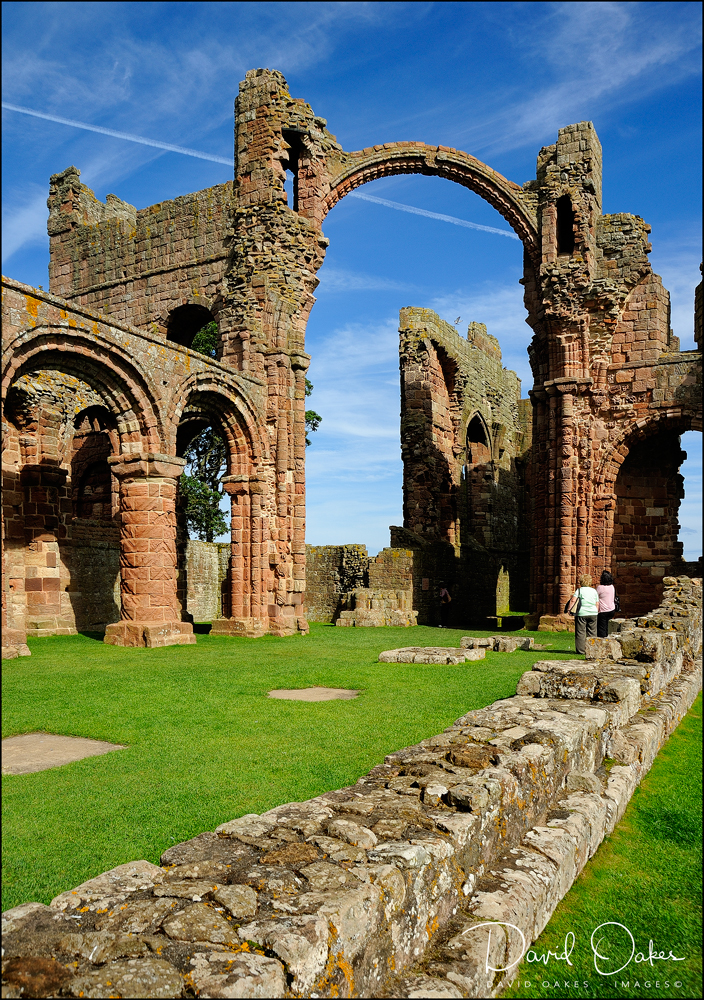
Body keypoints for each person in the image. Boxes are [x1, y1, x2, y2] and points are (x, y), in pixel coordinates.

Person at [566, 574, 599, 655]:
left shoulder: (579, 590)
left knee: (580, 632)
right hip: (593, 613)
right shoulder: (594, 591)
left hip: (582, 613)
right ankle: (592, 650)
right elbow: (597, 603)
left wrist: (569, 609)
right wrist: (596, 611)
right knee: (592, 632)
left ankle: (581, 651)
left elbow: (573, 600)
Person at [596, 570, 616, 638]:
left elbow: (595, 596)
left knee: (602, 629)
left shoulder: (600, 588)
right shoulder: (612, 587)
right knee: (608, 628)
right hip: (611, 609)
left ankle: (603, 642)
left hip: (603, 611)